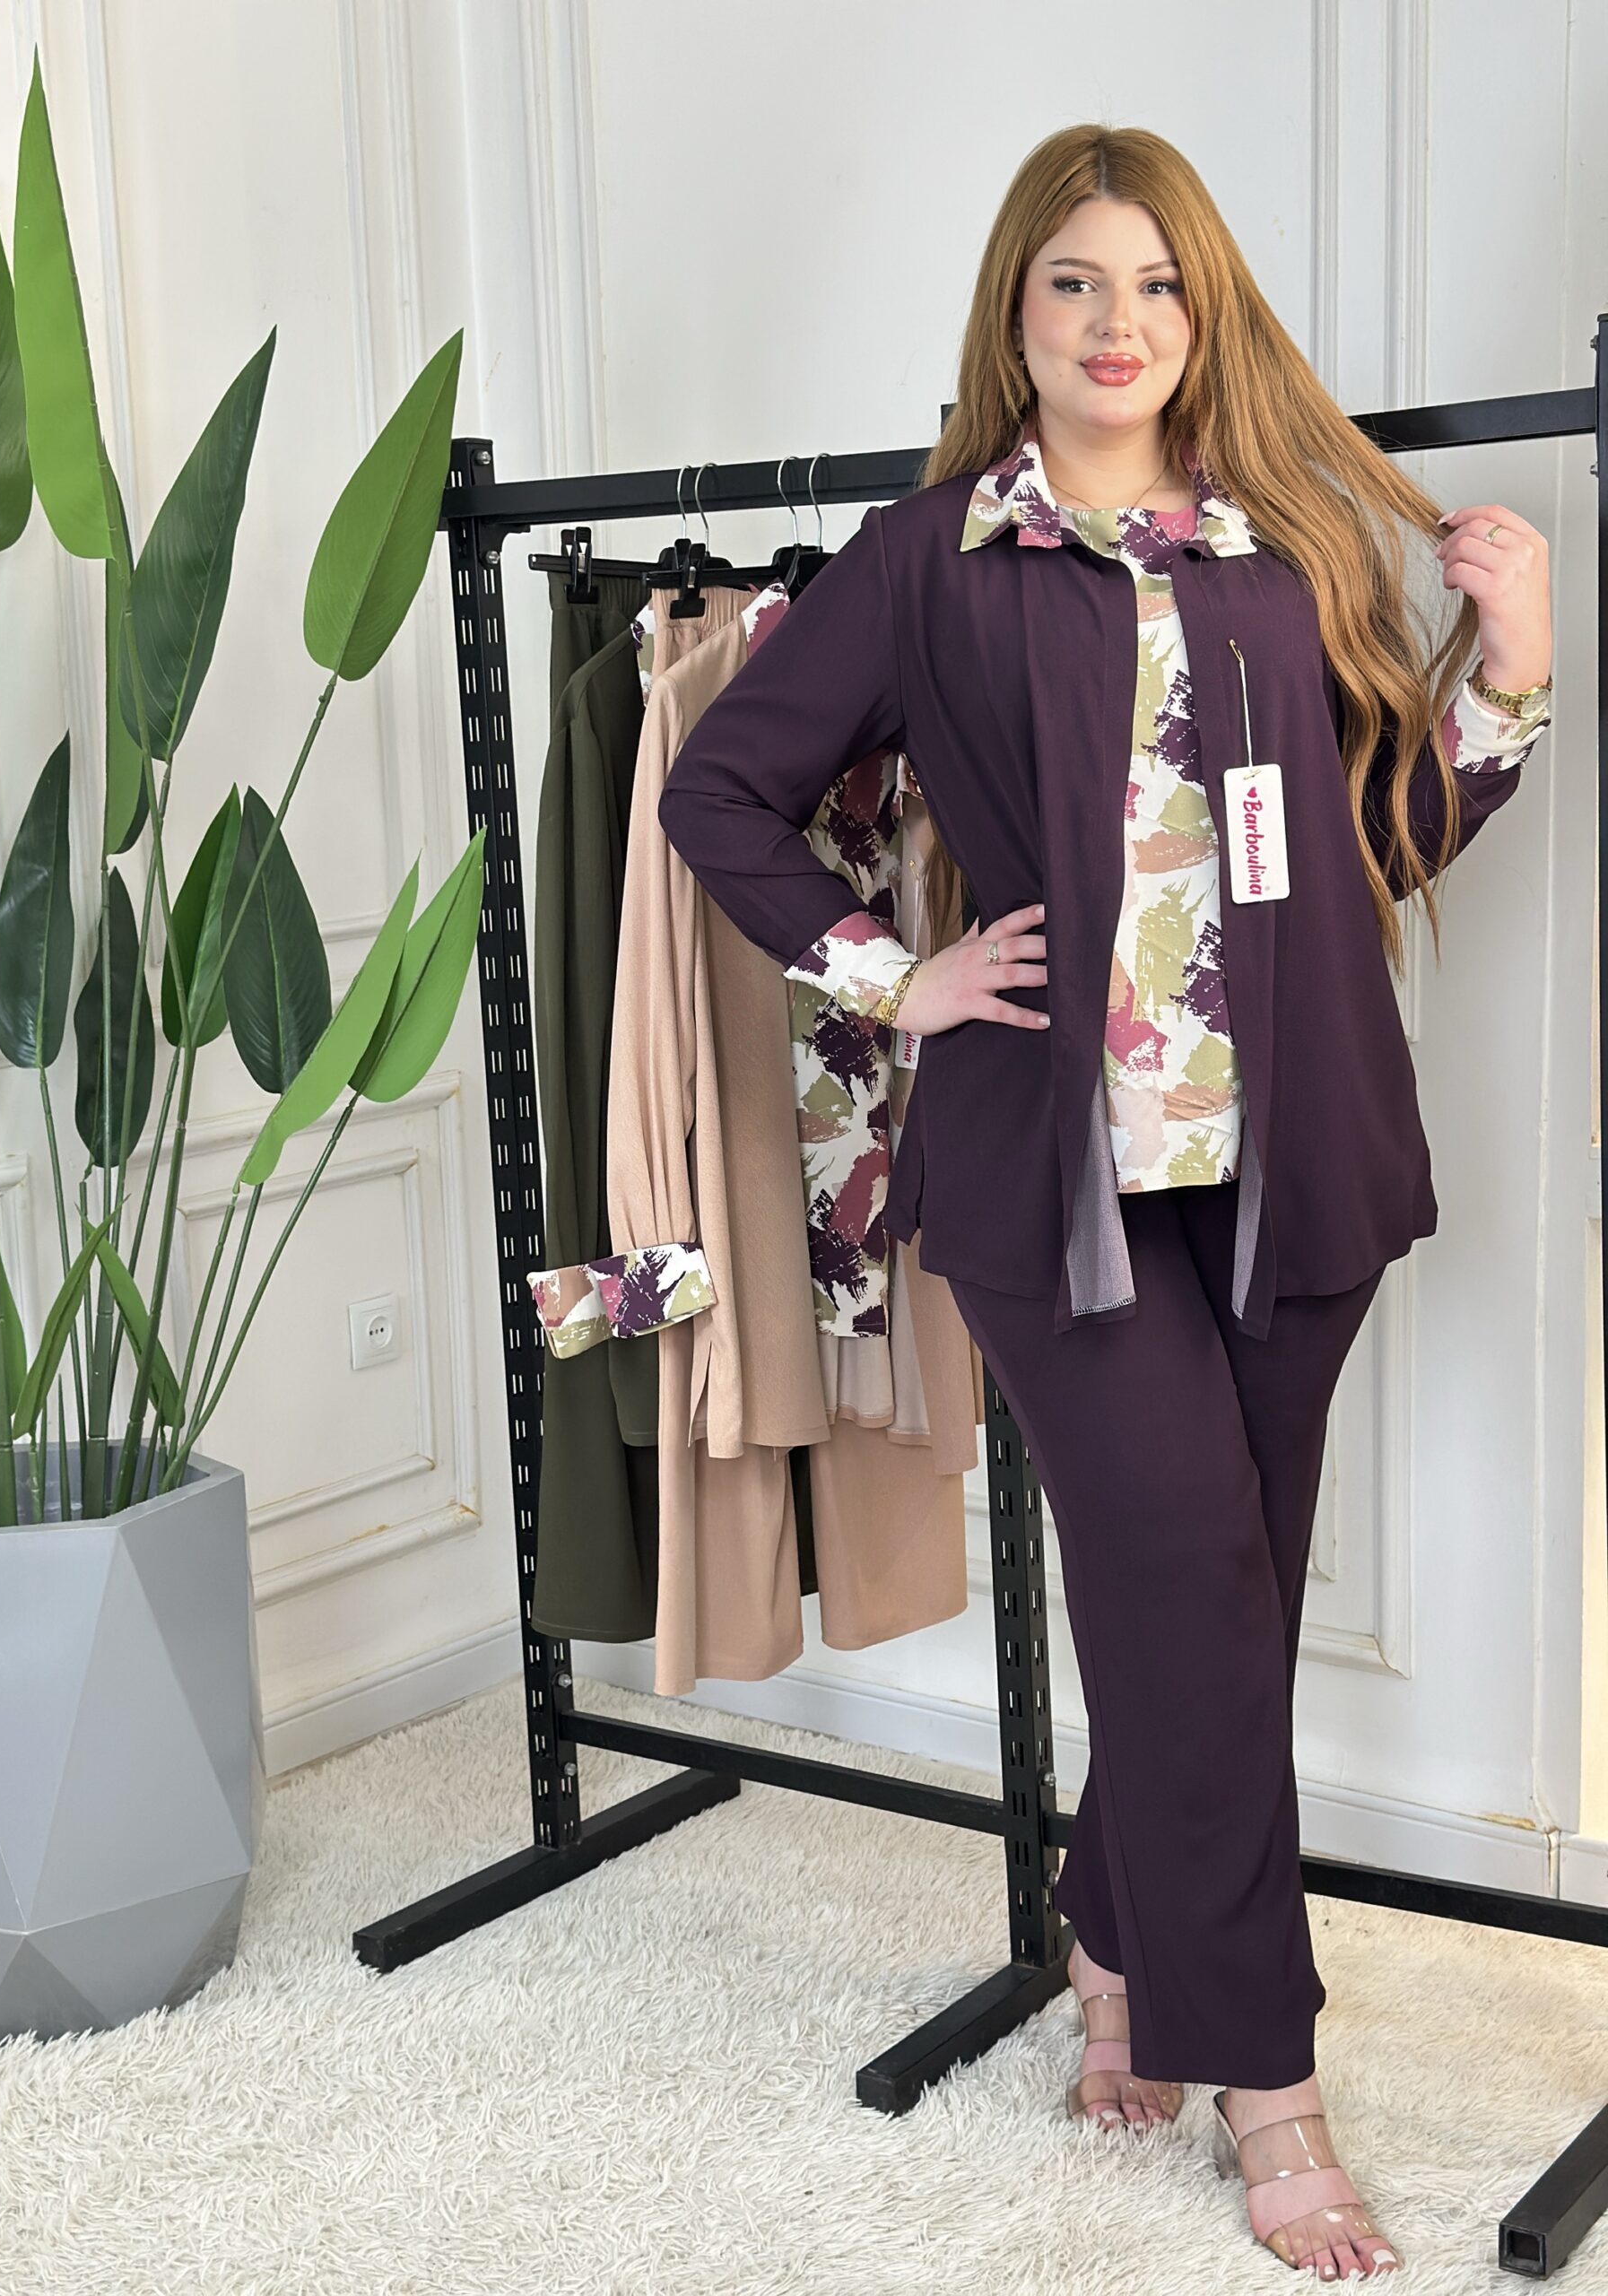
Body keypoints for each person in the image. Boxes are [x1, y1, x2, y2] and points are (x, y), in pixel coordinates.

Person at [655, 124, 1553, 2282]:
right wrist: (897, 972)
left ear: (1201, 315)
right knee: (1189, 1584)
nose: (1116, 320)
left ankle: (1115, 1934)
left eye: (1154, 282)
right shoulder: (928, 559)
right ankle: (1273, 2079)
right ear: (1019, 312)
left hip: (1294, 1168)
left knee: (1215, 1603)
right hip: (1057, 1182)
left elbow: (1367, 845)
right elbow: (717, 786)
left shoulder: (1279, 550)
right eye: (1073, 281)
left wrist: (1511, 661)